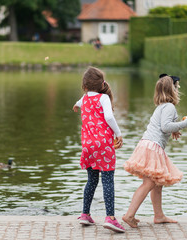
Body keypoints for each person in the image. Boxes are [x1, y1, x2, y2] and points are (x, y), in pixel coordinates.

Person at [122, 74, 187, 228]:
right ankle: (129, 215)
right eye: (177, 87)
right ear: (173, 90)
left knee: (157, 183)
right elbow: (165, 126)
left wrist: (173, 129)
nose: (178, 90)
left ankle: (159, 215)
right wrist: (186, 123)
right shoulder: (170, 107)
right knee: (149, 183)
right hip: (153, 147)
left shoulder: (162, 107)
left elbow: (165, 126)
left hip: (147, 144)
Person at [73, 66, 125, 233]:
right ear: (101, 84)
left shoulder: (85, 98)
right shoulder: (103, 98)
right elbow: (109, 117)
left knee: (92, 180)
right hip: (103, 145)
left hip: (88, 146)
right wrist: (118, 134)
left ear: (85, 86)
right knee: (108, 180)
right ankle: (110, 218)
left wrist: (76, 106)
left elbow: (78, 104)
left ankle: (85, 214)